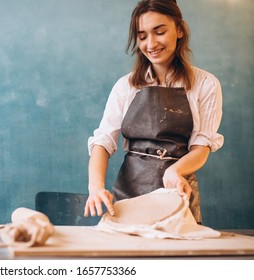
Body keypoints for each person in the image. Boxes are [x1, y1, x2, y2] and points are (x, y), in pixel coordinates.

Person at [84, 0, 223, 224]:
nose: (151, 43)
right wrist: (95, 187)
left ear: (179, 30)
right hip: (129, 196)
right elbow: (103, 141)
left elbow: (202, 147)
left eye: (159, 32)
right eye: (142, 36)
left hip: (177, 195)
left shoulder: (205, 84)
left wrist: (175, 171)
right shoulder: (126, 85)